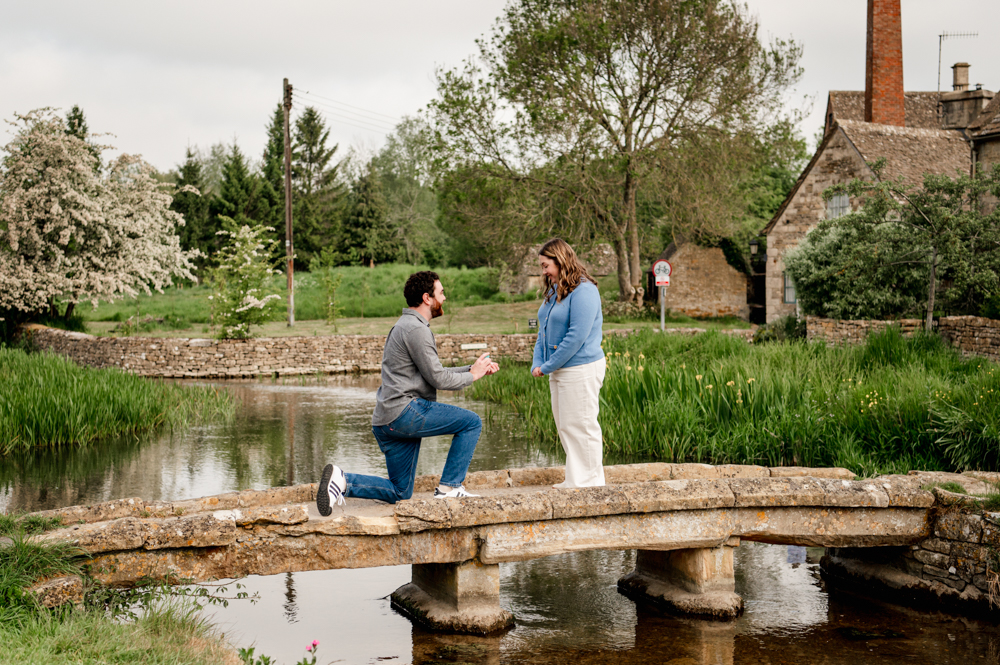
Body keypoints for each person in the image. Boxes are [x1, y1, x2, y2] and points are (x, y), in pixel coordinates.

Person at [317, 271, 499, 514]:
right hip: (405, 413)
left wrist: (471, 368)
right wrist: (473, 376)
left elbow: (432, 371)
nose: (444, 298)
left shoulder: (407, 325)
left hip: (387, 419)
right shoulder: (416, 329)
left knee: (399, 492)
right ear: (427, 298)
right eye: (441, 293)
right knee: (471, 423)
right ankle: (450, 488)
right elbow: (438, 378)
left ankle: (342, 480)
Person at [530, 238, 606, 488]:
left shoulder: (585, 291)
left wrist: (548, 365)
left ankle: (590, 484)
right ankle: (575, 479)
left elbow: (576, 337)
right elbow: (543, 330)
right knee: (566, 426)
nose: (543, 271)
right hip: (560, 369)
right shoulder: (555, 290)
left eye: (546, 265)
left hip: (581, 368)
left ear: (561, 260)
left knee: (582, 426)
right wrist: (537, 362)